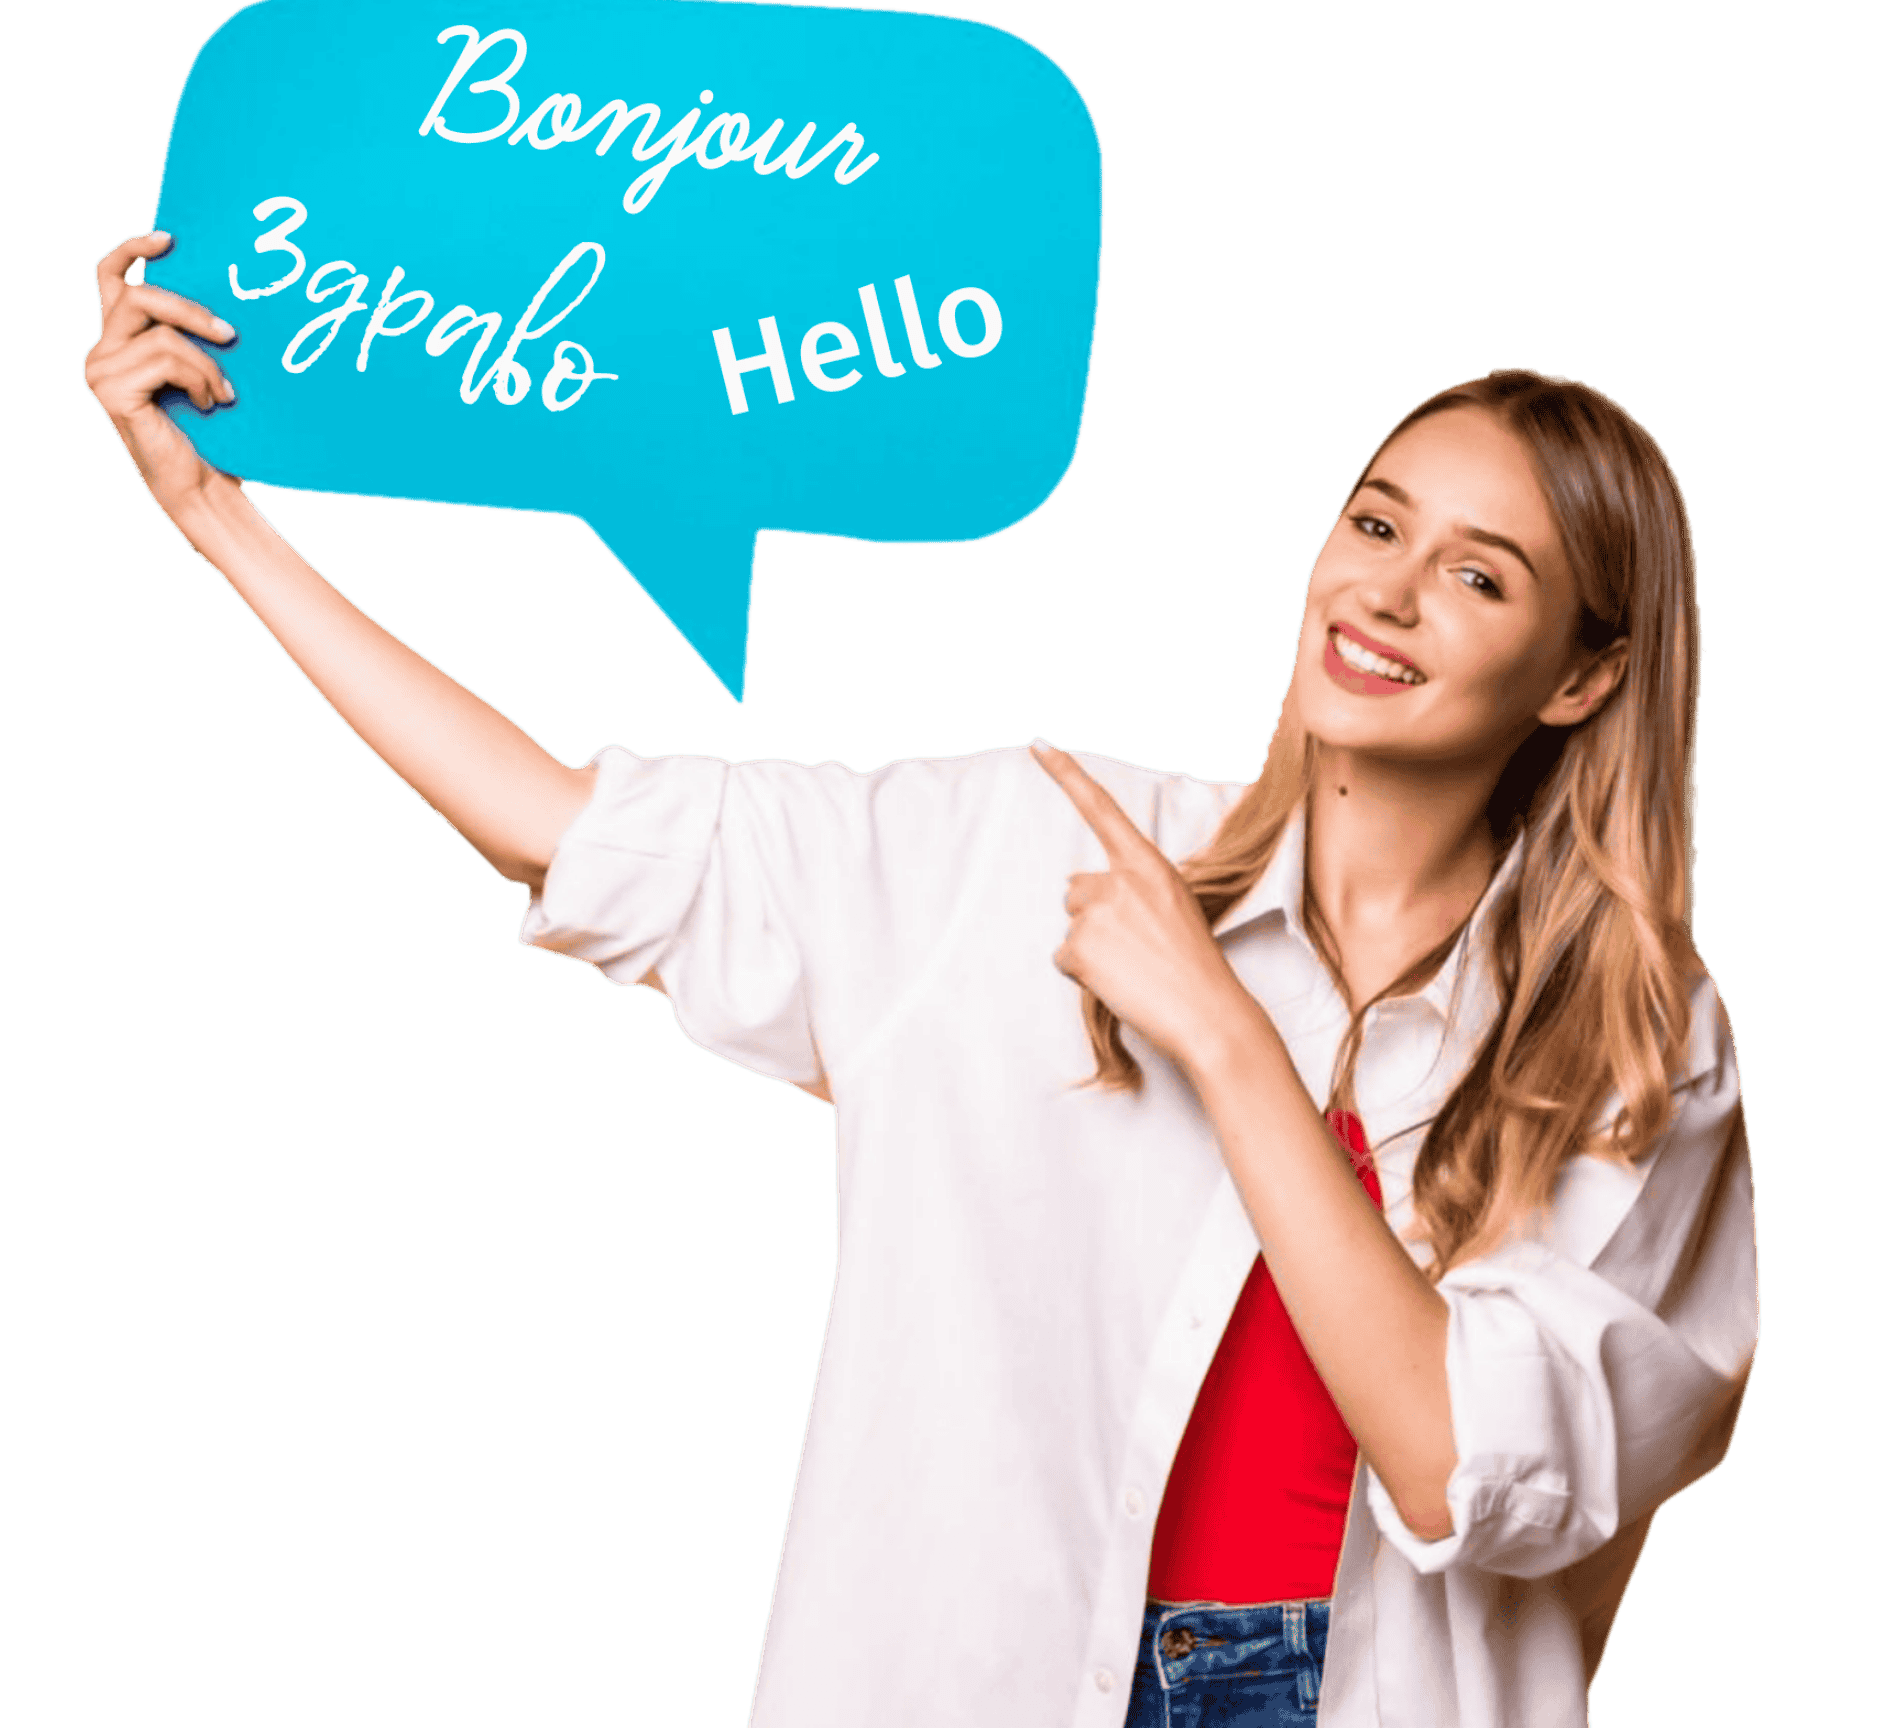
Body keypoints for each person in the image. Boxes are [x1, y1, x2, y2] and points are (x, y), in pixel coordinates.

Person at [84, 230, 1758, 1728]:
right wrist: (212, 513)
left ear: (1581, 676)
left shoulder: (1639, 1044)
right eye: (1376, 522)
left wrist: (1225, 1038)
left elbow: (1469, 1468)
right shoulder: (1026, 853)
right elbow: (554, 831)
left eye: (1479, 574)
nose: (1384, 590)